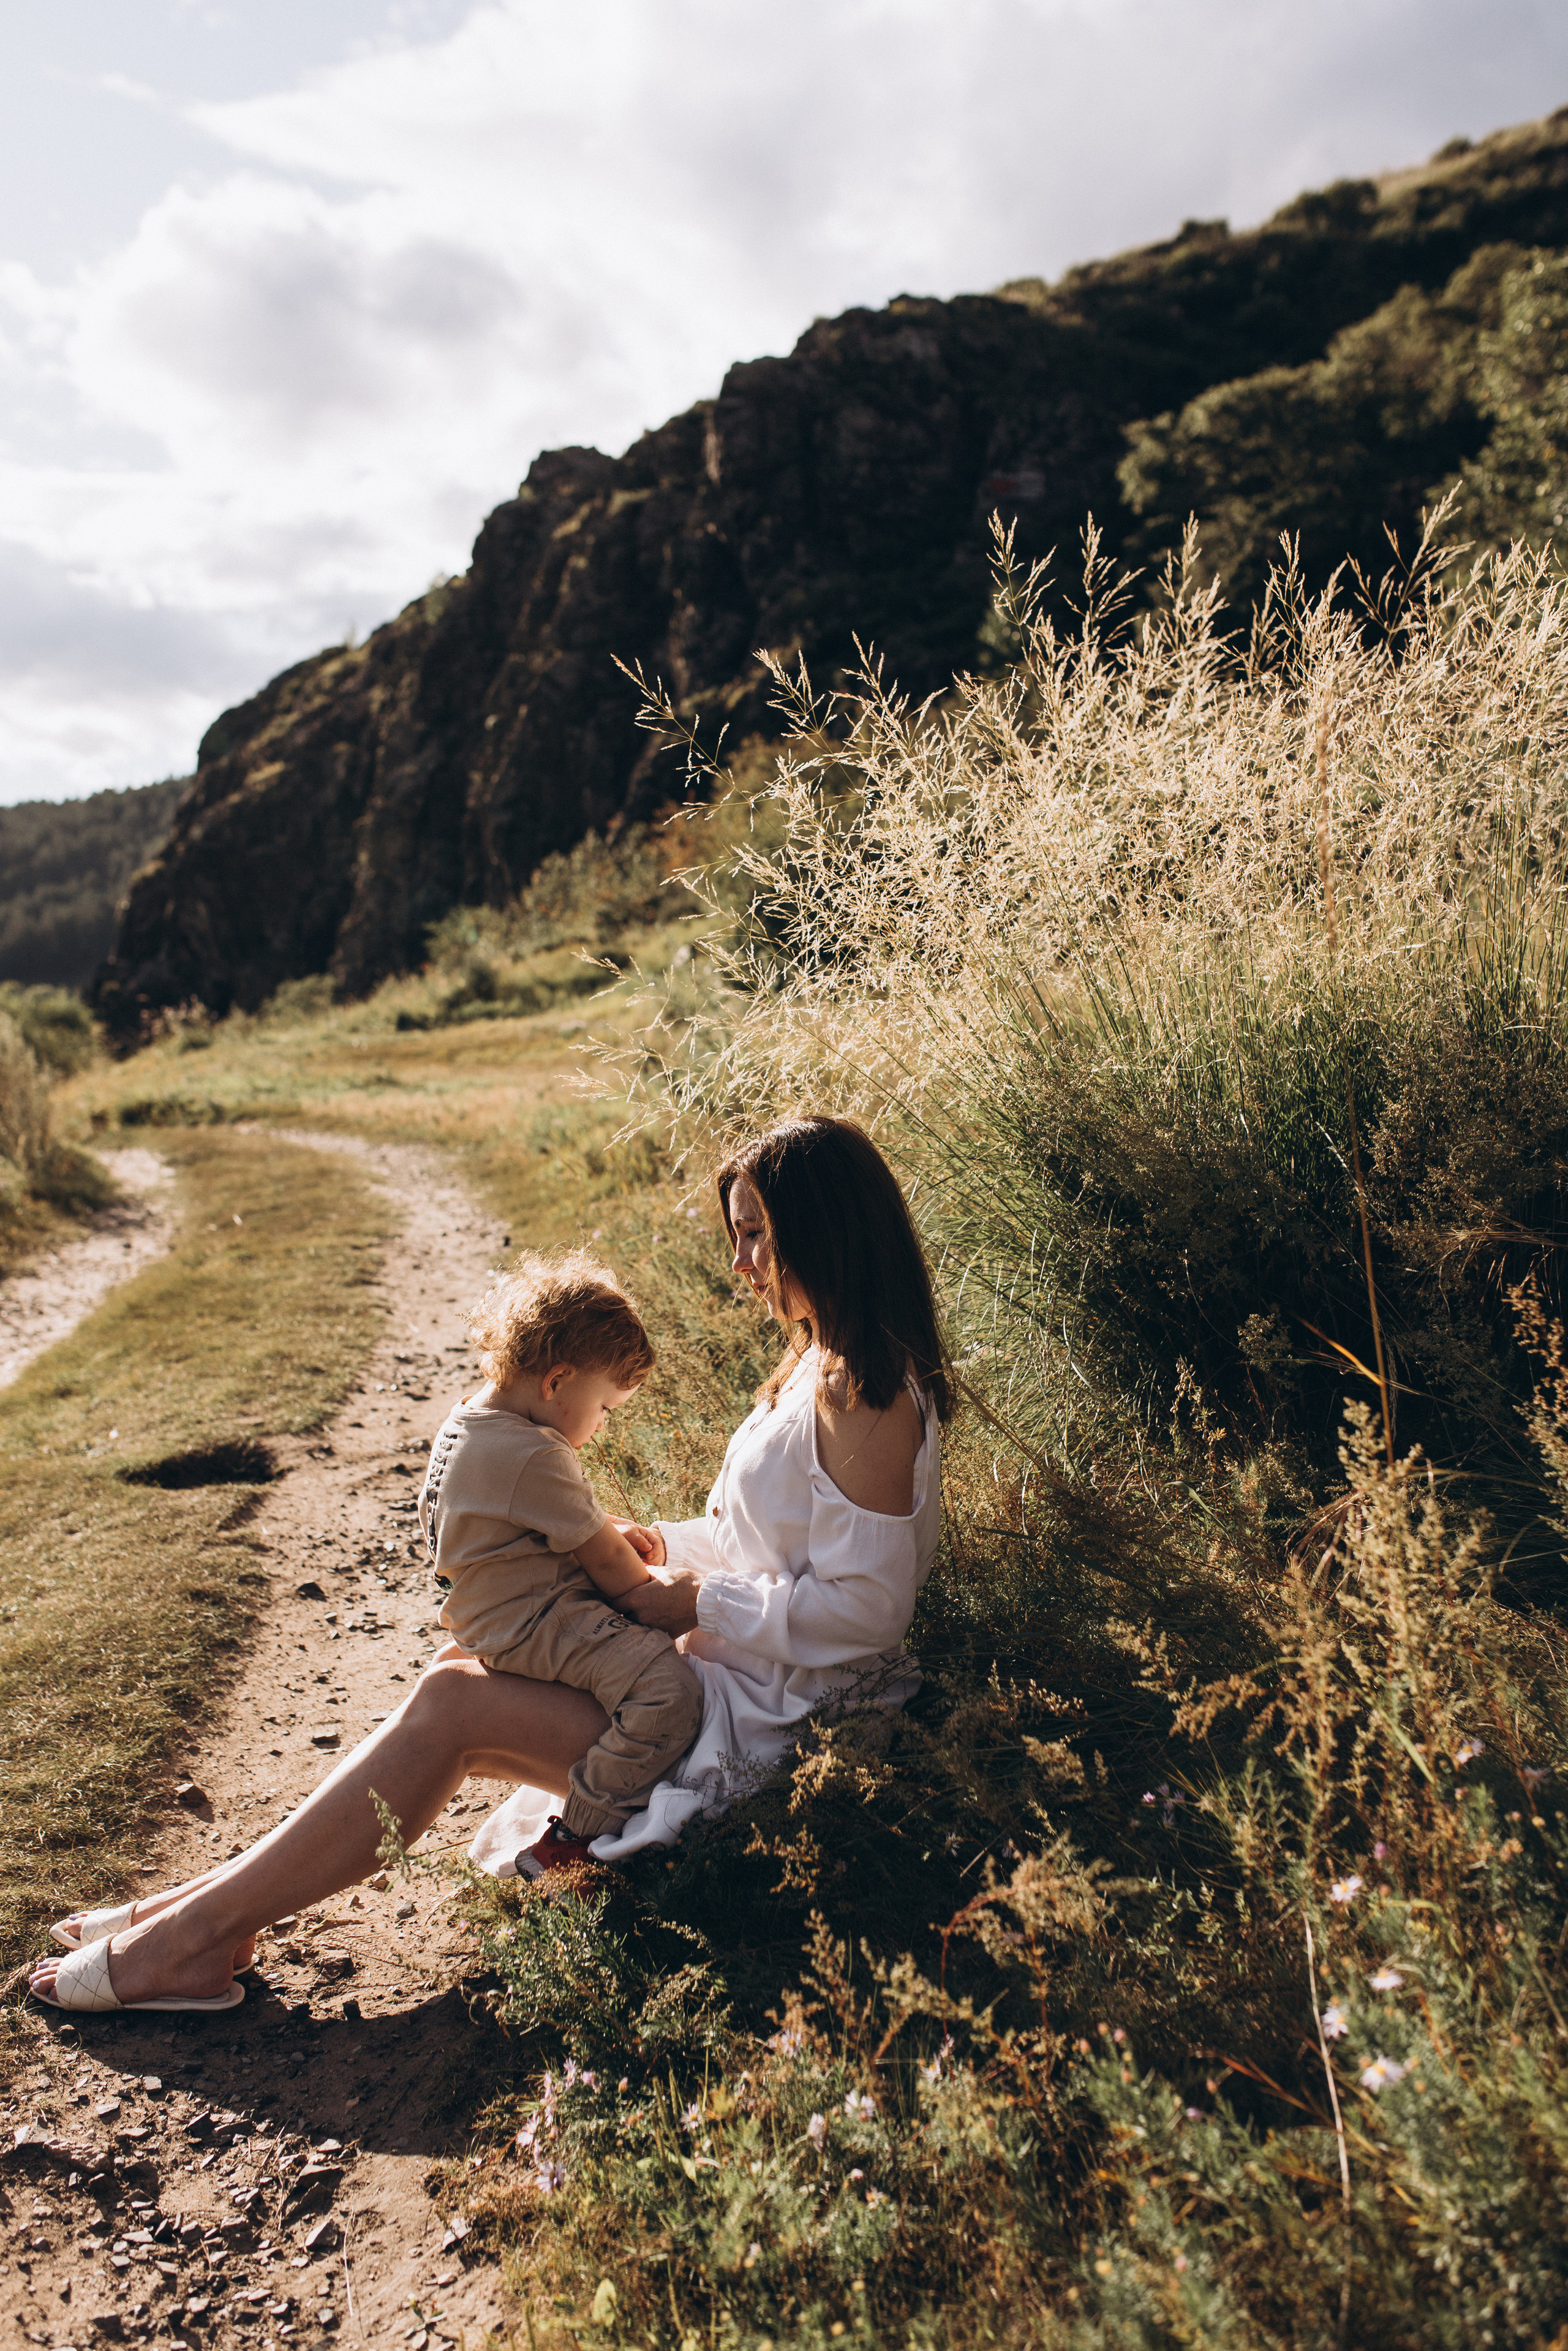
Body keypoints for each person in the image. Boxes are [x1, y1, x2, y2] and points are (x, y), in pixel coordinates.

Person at [31, 1115, 951, 2015]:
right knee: (454, 1675)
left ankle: (190, 1938)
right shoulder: (817, 1364)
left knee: (455, 1705)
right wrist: (668, 1547)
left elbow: (868, 1613)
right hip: (738, 1680)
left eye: (756, 1235)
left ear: (822, 1229)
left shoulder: (864, 1392)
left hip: (781, 1725)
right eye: (737, 1233)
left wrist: (695, 1597)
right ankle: (198, 1917)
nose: (741, 1261)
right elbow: (775, 1546)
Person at [420, 1250, 701, 1876]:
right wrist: (662, 1597)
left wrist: (602, 1529)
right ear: (557, 1382)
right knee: (666, 1688)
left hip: (492, 1613)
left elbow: (514, 1520)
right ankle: (577, 1835)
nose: (600, 1426)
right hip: (534, 1621)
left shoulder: (469, 1420)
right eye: (604, 1408)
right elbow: (613, 1574)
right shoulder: (534, 1452)